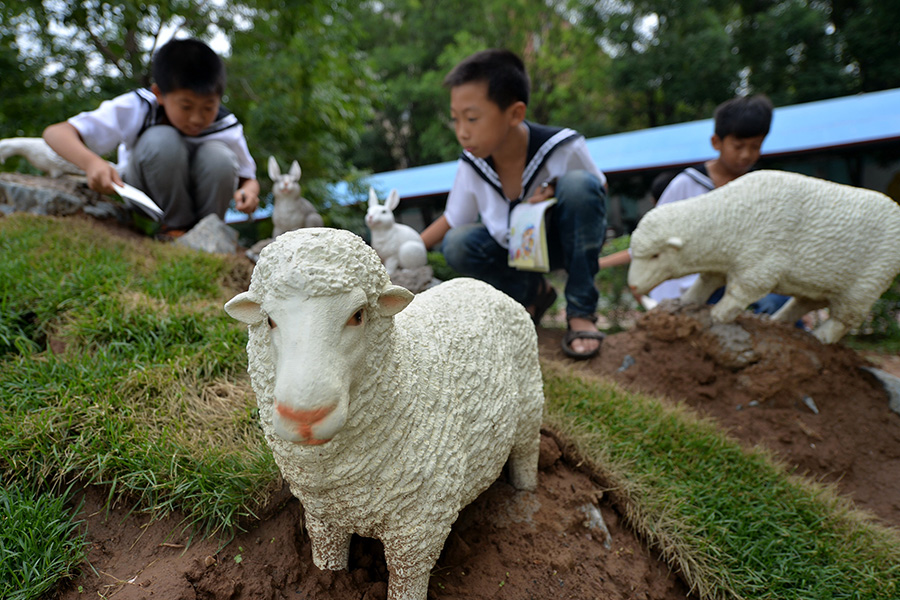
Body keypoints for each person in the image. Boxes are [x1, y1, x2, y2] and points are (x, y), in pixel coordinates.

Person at [420, 49, 608, 360]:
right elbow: (453, 220)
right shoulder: (472, 164)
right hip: (516, 253)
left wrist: (557, 190)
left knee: (578, 184)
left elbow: (596, 191)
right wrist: (399, 253)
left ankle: (581, 313)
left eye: (472, 118)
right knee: (457, 244)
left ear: (515, 114)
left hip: (563, 243)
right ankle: (533, 294)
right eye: (456, 120)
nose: (462, 131)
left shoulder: (562, 147)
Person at [43, 38, 260, 236]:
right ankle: (175, 228)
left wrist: (248, 193)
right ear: (159, 94)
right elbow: (55, 133)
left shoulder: (225, 124)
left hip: (204, 200)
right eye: (186, 106)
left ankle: (209, 231)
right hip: (146, 193)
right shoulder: (139, 106)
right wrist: (92, 163)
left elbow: (247, 177)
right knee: (161, 140)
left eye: (208, 108)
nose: (196, 118)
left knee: (219, 157)